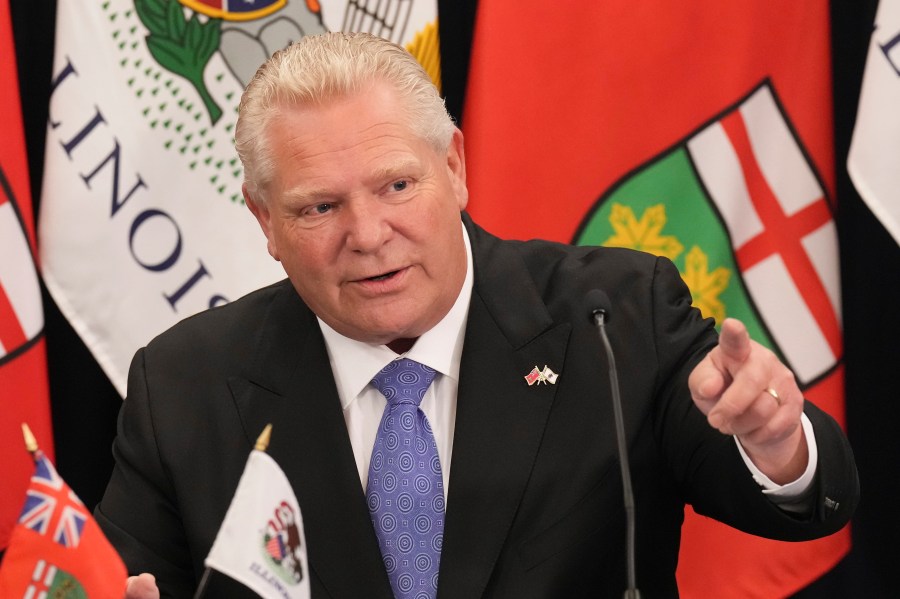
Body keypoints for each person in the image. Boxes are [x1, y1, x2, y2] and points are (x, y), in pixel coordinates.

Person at [98, 32, 859, 599]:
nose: (366, 235)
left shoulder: (616, 318)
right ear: (264, 220)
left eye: (396, 185)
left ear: (454, 167)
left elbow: (802, 508)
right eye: (318, 207)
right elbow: (123, 578)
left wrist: (777, 441)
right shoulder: (184, 384)